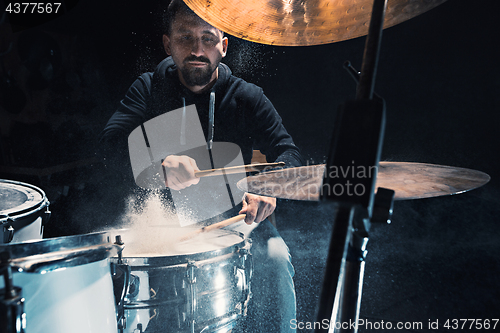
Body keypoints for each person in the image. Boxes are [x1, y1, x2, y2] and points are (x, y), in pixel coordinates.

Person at [99, 1, 304, 332]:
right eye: (185, 37)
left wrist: (268, 188)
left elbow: (288, 152)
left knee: (277, 257)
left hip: (238, 223)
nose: (197, 49)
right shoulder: (149, 88)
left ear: (223, 47)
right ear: (168, 44)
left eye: (208, 39)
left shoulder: (246, 96)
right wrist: (158, 166)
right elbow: (108, 148)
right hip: (168, 231)